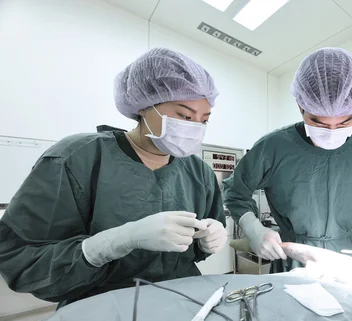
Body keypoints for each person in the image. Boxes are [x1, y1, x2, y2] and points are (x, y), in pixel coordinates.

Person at [0, 48, 228, 306]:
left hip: (181, 300)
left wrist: (206, 241)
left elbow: (193, 250)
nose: (195, 127)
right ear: (144, 105)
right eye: (185, 116)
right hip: (100, 306)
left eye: (204, 120)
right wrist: (109, 245)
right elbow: (21, 257)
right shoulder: (77, 158)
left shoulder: (199, 172)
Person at [223, 48, 352, 271]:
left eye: (345, 121)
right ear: (300, 106)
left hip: (347, 259)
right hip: (293, 258)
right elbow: (236, 192)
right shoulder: (273, 147)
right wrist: (253, 227)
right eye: (319, 123)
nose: (332, 131)